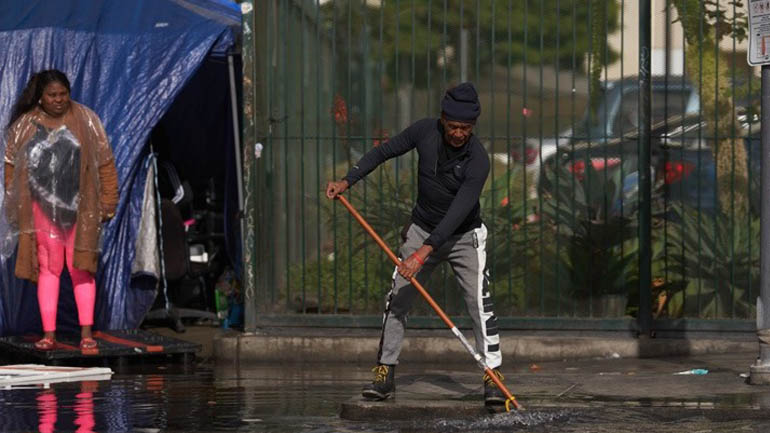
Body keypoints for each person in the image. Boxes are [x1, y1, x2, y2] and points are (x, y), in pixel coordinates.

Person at [326, 82, 505, 405]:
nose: (458, 134)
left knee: (479, 305)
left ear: (473, 126)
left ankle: (492, 376)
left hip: (464, 237)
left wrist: (423, 255)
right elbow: (384, 152)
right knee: (397, 299)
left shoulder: (478, 160)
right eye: (453, 126)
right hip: (421, 229)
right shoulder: (424, 131)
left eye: (466, 128)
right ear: (442, 119)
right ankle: (384, 372)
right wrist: (347, 180)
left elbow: (456, 213)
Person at [3, 69, 118, 351]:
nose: (58, 100)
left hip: (81, 208)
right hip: (42, 210)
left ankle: (87, 333)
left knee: (82, 269)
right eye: (52, 95)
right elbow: (10, 168)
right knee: (49, 269)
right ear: (40, 98)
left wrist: (108, 203)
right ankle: (49, 335)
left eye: (63, 94)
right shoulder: (25, 125)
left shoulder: (87, 120)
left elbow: (105, 164)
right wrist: (17, 207)